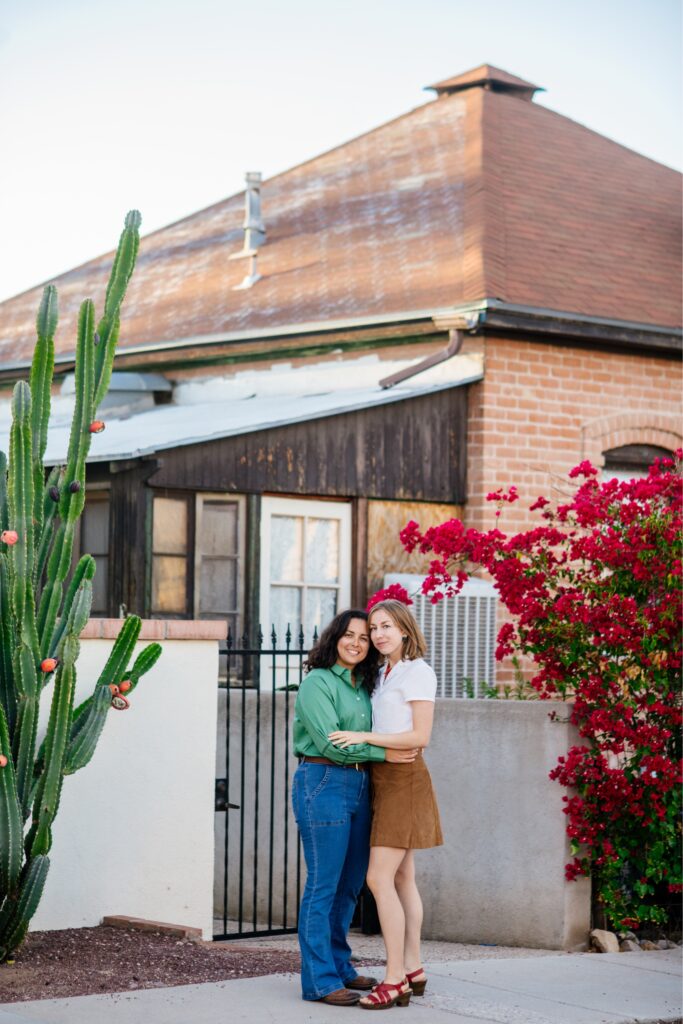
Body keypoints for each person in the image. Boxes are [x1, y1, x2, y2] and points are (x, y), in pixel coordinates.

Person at [292, 608, 419, 1007]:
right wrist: (385, 754)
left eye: (365, 638)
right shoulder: (317, 683)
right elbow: (331, 743)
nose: (357, 642)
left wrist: (376, 757)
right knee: (324, 884)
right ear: (334, 638)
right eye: (349, 635)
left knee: (350, 885)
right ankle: (320, 980)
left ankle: (341, 966)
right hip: (323, 781)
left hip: (362, 783)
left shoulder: (363, 684)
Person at [329, 598, 443, 1010]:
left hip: (404, 779)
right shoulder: (383, 674)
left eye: (385, 627)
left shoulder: (417, 672)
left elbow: (419, 737)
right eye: (374, 627)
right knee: (401, 879)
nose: (377, 634)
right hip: (383, 778)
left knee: (379, 879)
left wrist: (363, 739)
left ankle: (394, 979)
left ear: (405, 630)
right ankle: (413, 967)